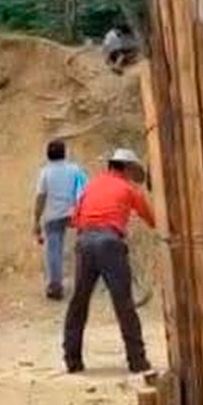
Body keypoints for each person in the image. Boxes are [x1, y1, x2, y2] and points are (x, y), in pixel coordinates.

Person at [62, 148, 156, 374]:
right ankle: (137, 361)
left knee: (78, 302)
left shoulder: (91, 186)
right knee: (124, 303)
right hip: (110, 243)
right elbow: (151, 218)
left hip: (85, 242)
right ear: (127, 168)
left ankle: (72, 361)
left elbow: (74, 219)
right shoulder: (129, 189)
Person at [32, 139, 88, 300]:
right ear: (64, 153)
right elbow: (85, 189)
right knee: (83, 246)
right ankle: (86, 280)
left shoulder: (45, 172)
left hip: (53, 216)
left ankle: (55, 285)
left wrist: (36, 220)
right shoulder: (74, 169)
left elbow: (40, 197)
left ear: (48, 155)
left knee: (54, 251)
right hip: (73, 214)